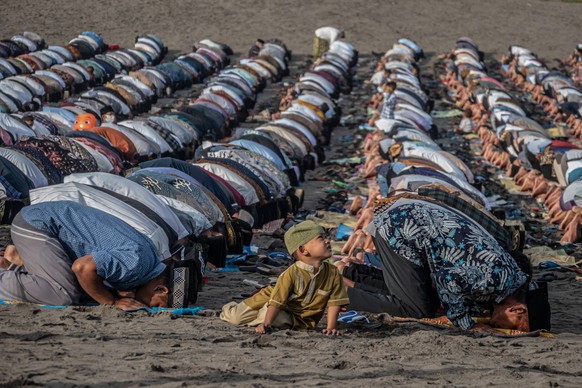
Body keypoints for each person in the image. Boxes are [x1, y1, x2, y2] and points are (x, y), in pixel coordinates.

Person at [341, 196, 538, 333]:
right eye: (515, 327)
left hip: (404, 223)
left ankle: (352, 274)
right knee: (416, 309)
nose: (501, 326)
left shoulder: (512, 279)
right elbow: (447, 278)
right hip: (400, 230)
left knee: (423, 298)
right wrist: (467, 324)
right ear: (518, 310)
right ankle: (336, 293)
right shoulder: (500, 280)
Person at [0, 201, 171, 310]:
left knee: (87, 290)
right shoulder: (136, 265)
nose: (151, 309)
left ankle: (17, 261)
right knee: (61, 296)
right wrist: (112, 302)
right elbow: (82, 267)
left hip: (42, 221)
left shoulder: (150, 258)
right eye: (157, 306)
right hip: (37, 225)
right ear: (161, 289)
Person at [220, 220, 349, 335]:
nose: (327, 241)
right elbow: (277, 301)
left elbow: (334, 303)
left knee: (274, 317)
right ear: (303, 250)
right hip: (269, 298)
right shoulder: (291, 273)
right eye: (320, 238)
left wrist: (331, 327)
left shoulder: (333, 272)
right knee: (236, 318)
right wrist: (267, 325)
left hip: (294, 317)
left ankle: (263, 316)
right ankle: (230, 308)